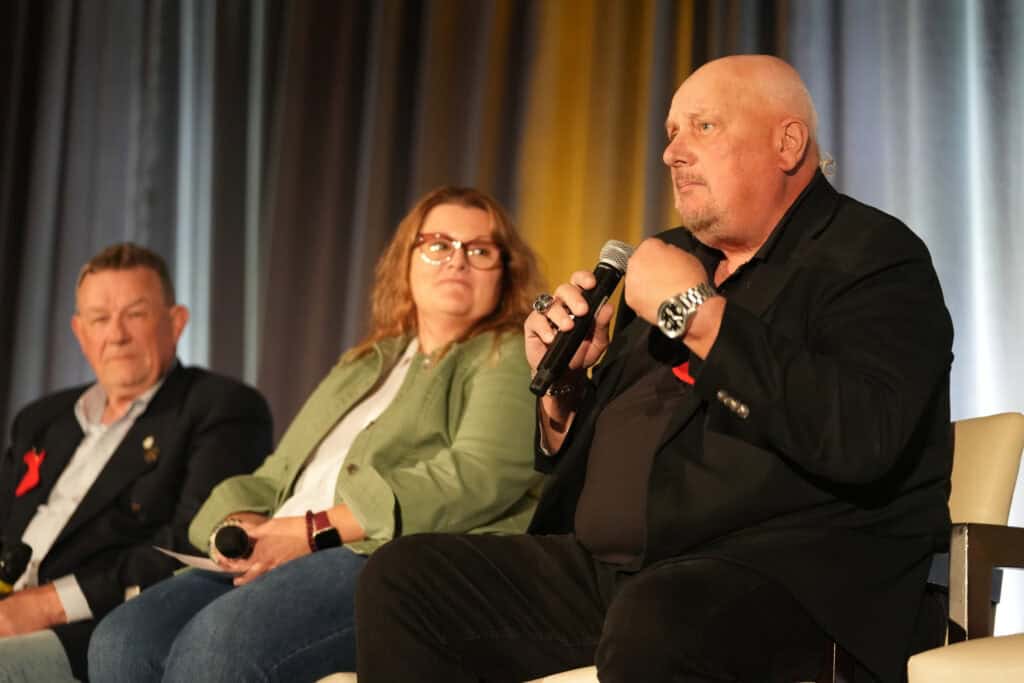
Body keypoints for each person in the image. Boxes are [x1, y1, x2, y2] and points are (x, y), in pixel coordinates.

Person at [354, 55, 954, 683]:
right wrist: (565, 390)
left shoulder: (874, 258)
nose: (672, 153)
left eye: (704, 127)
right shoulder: (669, 257)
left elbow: (862, 435)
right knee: (403, 579)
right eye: (670, 132)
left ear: (787, 142)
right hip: (620, 575)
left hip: (791, 579)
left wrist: (695, 312)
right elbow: (626, 443)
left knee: (660, 616)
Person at [89, 186, 545, 682]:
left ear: (505, 272)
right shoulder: (362, 363)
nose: (456, 261)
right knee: (122, 640)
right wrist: (238, 525)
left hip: (376, 555)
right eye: (438, 244)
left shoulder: (510, 352)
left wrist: (311, 532)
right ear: (405, 261)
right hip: (278, 544)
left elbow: (478, 476)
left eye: (478, 250)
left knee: (217, 648)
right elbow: (276, 475)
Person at [0, 243, 273, 682]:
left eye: (136, 314)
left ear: (176, 322)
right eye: (100, 319)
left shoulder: (220, 408)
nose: (117, 334)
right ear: (80, 332)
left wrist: (47, 604)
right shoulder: (41, 419)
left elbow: (194, 541)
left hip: (103, 626)